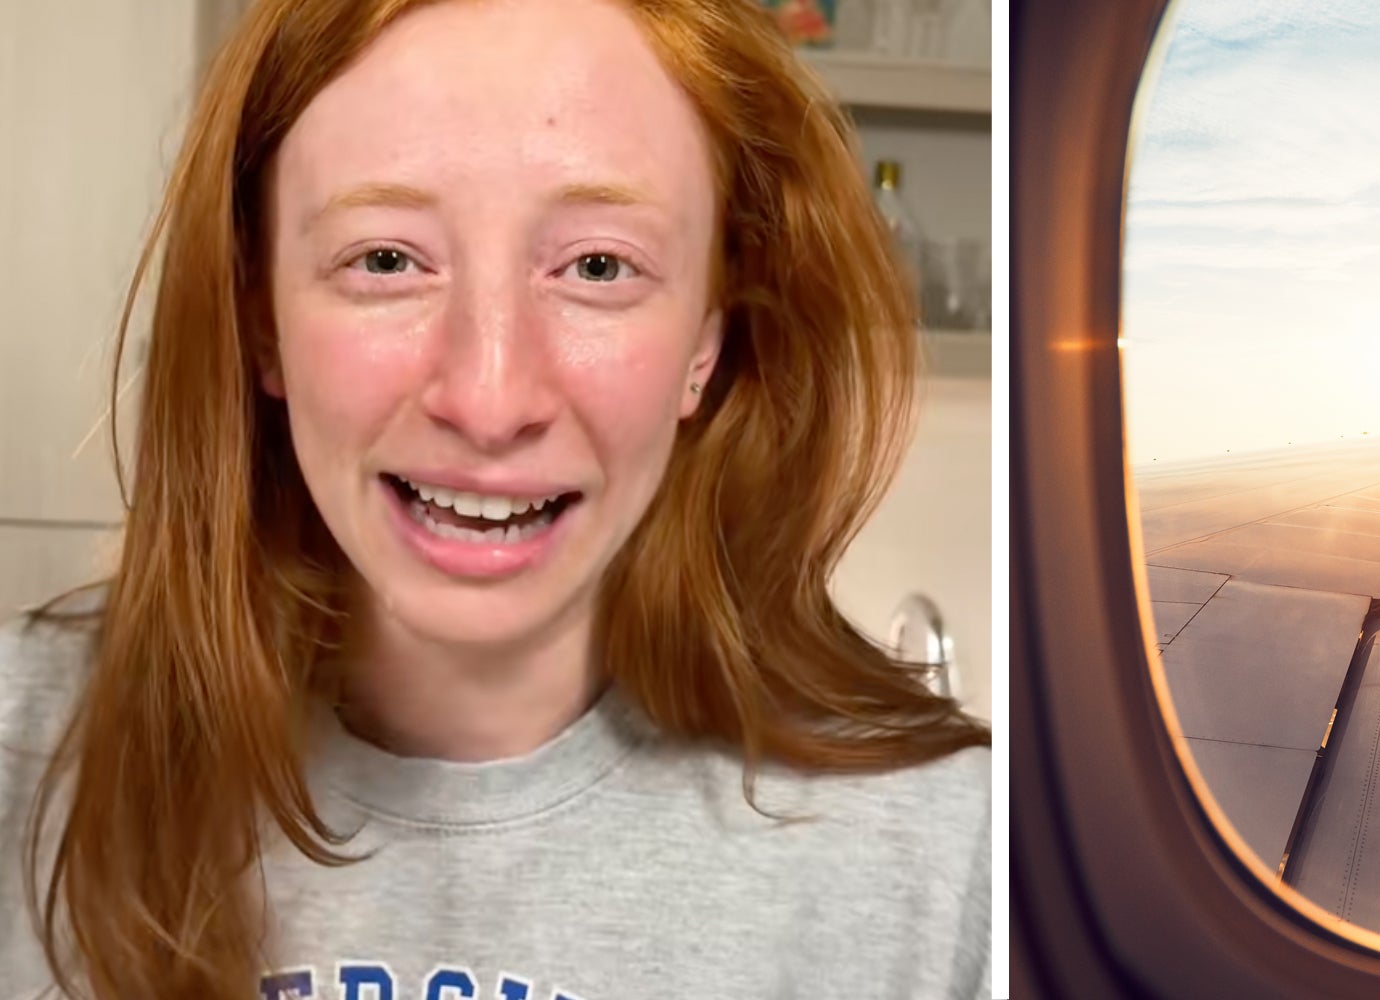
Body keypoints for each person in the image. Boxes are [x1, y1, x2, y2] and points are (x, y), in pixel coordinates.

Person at [0, 0, 991, 996]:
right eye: (385, 259)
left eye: (598, 266)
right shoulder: (22, 753)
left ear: (706, 340)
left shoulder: (955, 860)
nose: (487, 398)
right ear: (261, 322)